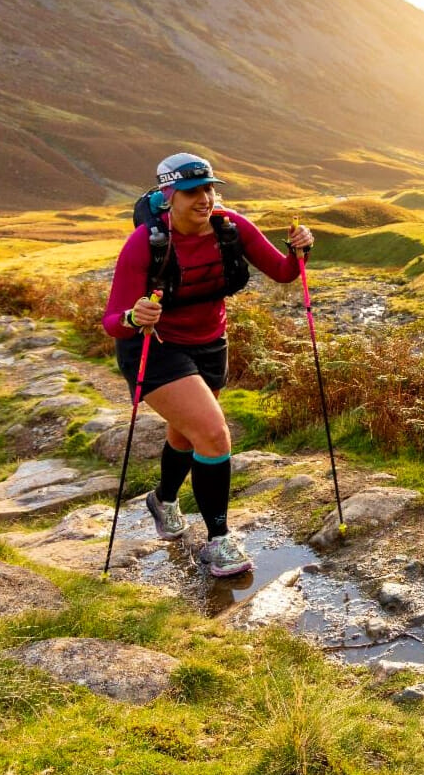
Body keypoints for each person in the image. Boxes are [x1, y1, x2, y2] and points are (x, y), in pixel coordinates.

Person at [102, 152, 313, 576]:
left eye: (210, 188)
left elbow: (284, 272)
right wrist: (133, 316)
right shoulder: (144, 242)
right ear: (168, 196)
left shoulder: (230, 226)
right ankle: (218, 541)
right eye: (192, 191)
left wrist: (300, 250)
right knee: (215, 435)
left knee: (187, 434)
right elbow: (113, 321)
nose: (205, 198)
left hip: (210, 342)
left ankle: (162, 499)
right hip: (155, 347)